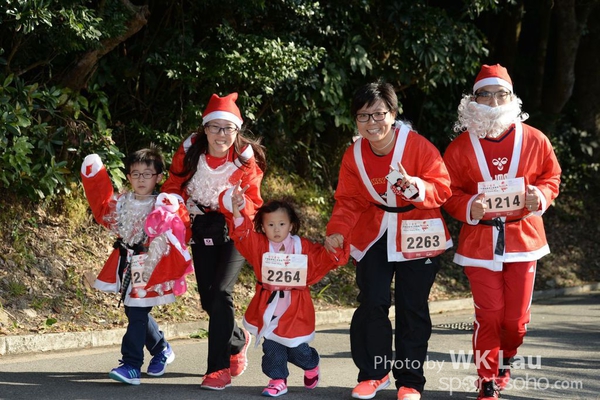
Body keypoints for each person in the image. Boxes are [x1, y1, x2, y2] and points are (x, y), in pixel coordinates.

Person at [324, 81, 453, 400]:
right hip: (374, 231)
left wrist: (417, 188)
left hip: (419, 227)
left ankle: (410, 381)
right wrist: (337, 228)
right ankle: (373, 373)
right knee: (372, 301)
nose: (372, 123)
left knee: (413, 307)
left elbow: (443, 189)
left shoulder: (419, 146)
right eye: (363, 116)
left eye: (379, 114)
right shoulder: (353, 154)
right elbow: (348, 199)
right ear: (355, 120)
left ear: (393, 114)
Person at [442, 64, 561, 400]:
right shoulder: (460, 147)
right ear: (473, 100)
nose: (493, 102)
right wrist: (468, 207)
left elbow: (551, 178)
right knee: (489, 315)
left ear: (511, 98)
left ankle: (508, 356)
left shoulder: (535, 139)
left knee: (516, 322)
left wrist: (541, 196)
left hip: (524, 237)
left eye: (500, 94)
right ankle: (486, 378)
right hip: (480, 241)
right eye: (485, 94)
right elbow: (447, 190)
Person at [161, 92, 267, 390]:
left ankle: (217, 369)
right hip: (201, 228)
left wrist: (236, 204)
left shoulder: (245, 160)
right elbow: (173, 184)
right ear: (204, 128)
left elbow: (255, 202)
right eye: (215, 127)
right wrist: (172, 207)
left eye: (228, 128)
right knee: (209, 299)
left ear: (237, 130)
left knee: (221, 292)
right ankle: (238, 338)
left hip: (236, 231)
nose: (222, 135)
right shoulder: (189, 152)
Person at [80, 147, 193, 385]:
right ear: (128, 177)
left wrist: (172, 211)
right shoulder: (122, 202)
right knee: (134, 311)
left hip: (151, 265)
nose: (141, 179)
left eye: (147, 174)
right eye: (136, 174)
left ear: (159, 177)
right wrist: (94, 175)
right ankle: (161, 348)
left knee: (138, 313)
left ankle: (131, 364)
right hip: (126, 263)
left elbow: (182, 226)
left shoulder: (164, 203)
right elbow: (102, 209)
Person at [219, 190, 348, 397]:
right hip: (268, 306)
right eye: (270, 225)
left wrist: (333, 247)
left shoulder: (302, 246)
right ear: (262, 227)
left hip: (295, 307)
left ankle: (311, 362)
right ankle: (277, 379)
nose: (276, 229)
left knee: (297, 349)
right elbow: (243, 236)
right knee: (272, 346)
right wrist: (237, 211)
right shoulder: (260, 245)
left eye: (281, 224)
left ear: (291, 225)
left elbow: (321, 259)